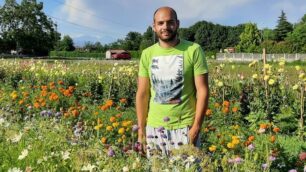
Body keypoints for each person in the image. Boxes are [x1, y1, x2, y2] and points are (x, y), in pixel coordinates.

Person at [136, 6, 209, 157]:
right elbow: (142, 94)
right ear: (154, 26)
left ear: (177, 24)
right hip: (154, 129)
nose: (165, 27)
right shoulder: (147, 54)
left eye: (170, 22)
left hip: (185, 128)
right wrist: (141, 130)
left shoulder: (193, 50)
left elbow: (203, 91)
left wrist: (196, 127)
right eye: (160, 23)